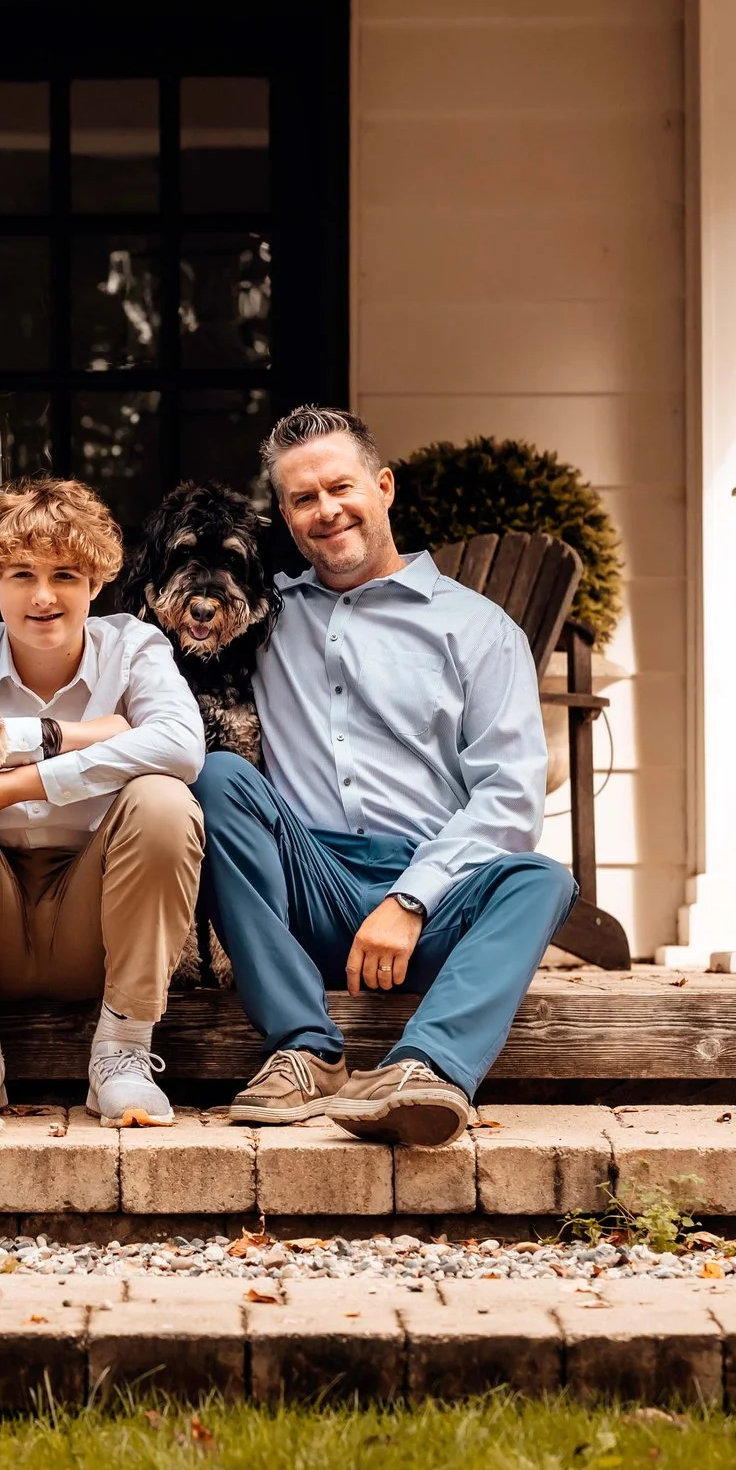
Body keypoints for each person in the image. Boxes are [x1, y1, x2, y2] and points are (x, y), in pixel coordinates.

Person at [193, 405, 577, 1147]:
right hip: (311, 884)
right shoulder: (262, 618)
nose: (327, 510)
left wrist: (413, 897)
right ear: (285, 513)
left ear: (384, 486)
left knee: (540, 878)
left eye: (341, 487)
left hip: (432, 897)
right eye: (303, 498)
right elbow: (140, 647)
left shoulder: (477, 628)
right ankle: (304, 1046)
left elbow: (510, 792)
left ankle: (425, 1068)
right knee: (215, 777)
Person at [0, 479, 207, 1127]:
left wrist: (28, 774)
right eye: (22, 573)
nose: (44, 596)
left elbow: (182, 746)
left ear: (95, 581)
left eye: (65, 574)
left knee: (163, 801)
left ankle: (123, 1053)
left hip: (95, 917)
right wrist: (87, 732)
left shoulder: (134, 646)